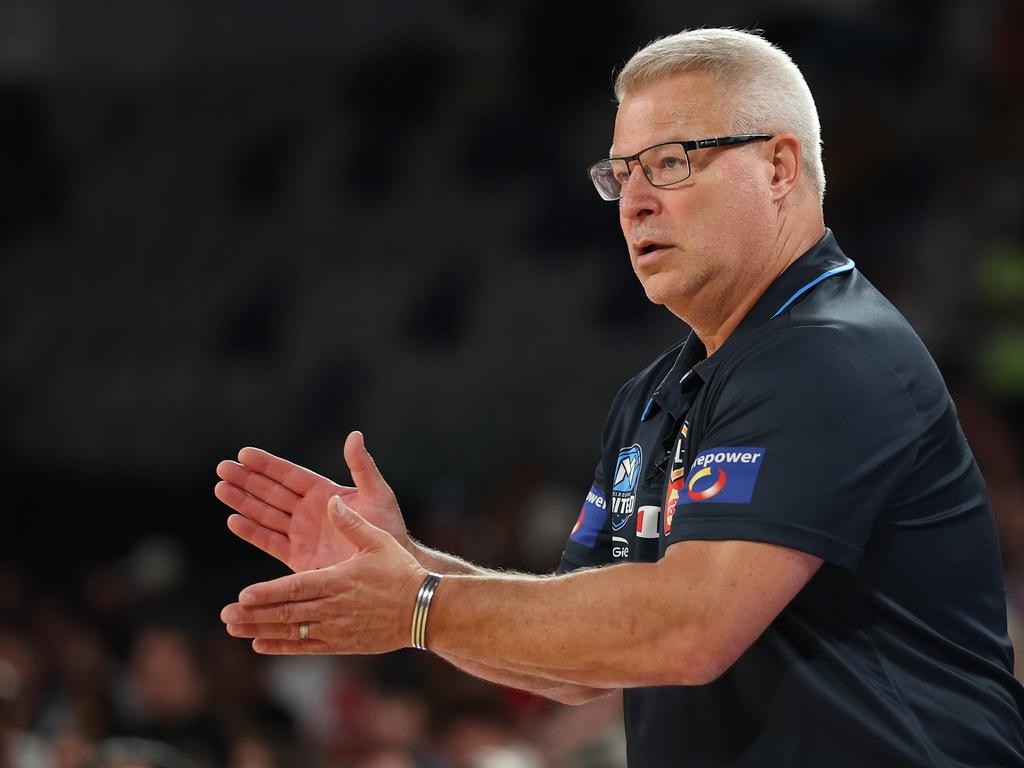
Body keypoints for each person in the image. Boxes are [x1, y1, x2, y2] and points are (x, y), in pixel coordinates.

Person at [216, 28, 1024, 766]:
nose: (635, 201)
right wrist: (404, 568)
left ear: (780, 167)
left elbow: (688, 629)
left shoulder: (834, 354)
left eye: (671, 162)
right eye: (622, 173)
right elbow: (580, 665)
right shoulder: (654, 396)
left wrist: (421, 605)